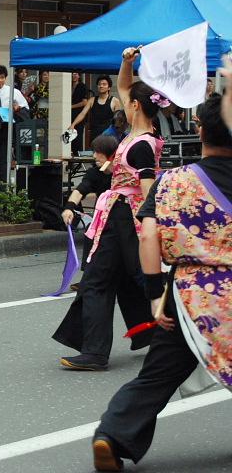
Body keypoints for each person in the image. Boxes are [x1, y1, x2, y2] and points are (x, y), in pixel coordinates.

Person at [91, 93, 232, 472]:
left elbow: (149, 235)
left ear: (201, 132)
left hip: (189, 295)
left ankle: (112, 435)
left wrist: (156, 294)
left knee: (157, 374)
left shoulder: (174, 181)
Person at [53, 47, 164, 371]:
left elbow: (149, 192)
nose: (123, 101)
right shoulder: (137, 133)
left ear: (136, 107)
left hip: (127, 219)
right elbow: (125, 85)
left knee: (118, 279)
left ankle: (101, 351)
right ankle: (105, 348)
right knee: (111, 279)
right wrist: (127, 62)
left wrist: (150, 229)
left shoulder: (142, 145)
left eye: (128, 102)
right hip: (117, 216)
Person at [61, 134, 118, 289]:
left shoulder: (122, 173)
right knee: (90, 232)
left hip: (123, 216)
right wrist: (69, 207)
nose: (94, 156)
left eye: (98, 152)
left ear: (110, 154)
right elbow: (80, 190)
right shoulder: (94, 173)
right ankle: (88, 277)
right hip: (103, 217)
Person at [70, 75, 123, 146]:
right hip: (94, 135)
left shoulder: (115, 101)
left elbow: (118, 119)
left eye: (104, 84)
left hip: (108, 136)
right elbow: (82, 113)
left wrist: (118, 134)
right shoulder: (92, 100)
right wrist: (73, 124)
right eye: (99, 84)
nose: (101, 86)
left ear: (109, 87)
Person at [71, 72, 89, 155]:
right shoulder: (68, 85)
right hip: (69, 115)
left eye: (76, 74)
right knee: (69, 137)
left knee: (78, 138)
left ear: (79, 76)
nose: (73, 76)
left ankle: (78, 157)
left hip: (79, 114)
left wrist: (71, 106)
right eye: (72, 74)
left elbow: (84, 102)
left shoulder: (82, 86)